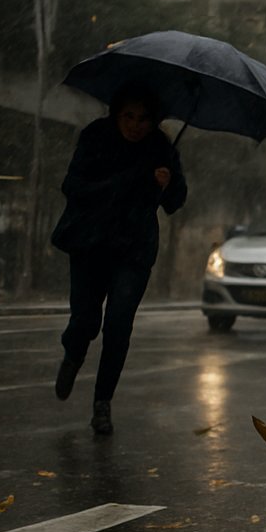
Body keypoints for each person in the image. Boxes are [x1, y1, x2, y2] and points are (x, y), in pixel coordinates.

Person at [51, 84, 187, 435]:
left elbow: (174, 202)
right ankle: (74, 353)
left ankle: (102, 403)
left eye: (144, 119)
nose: (136, 125)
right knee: (85, 319)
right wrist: (128, 181)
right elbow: (73, 186)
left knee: (118, 325)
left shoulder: (161, 148)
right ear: (116, 114)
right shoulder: (96, 137)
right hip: (91, 243)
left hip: (134, 250)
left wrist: (166, 183)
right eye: (129, 116)